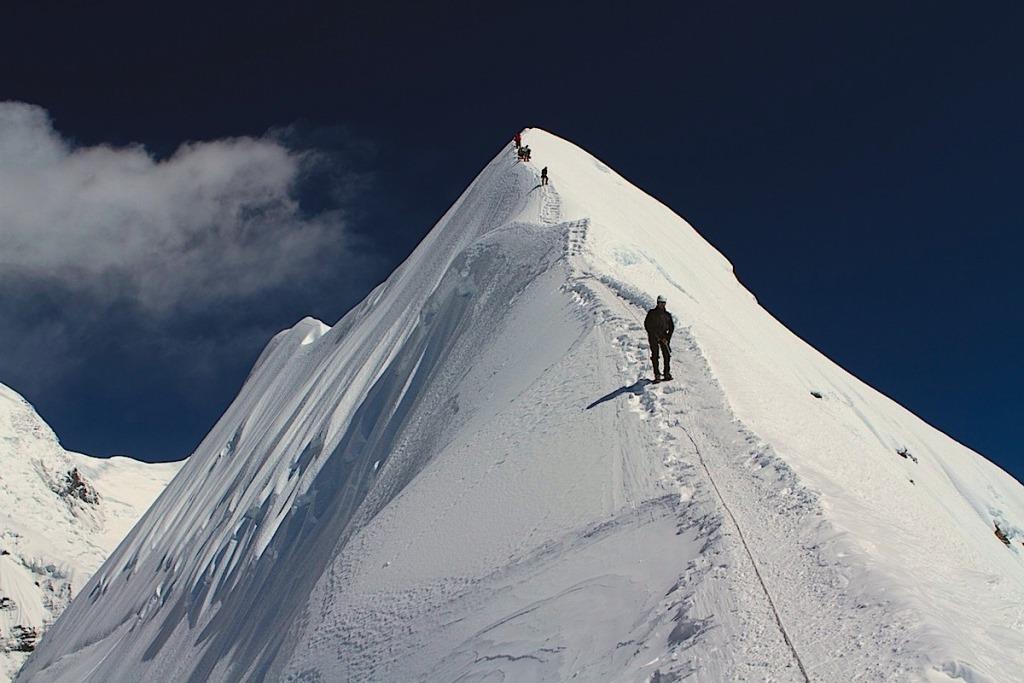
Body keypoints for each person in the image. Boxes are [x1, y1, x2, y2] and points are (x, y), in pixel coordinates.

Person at [644, 295, 674, 381]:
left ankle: (666, 373)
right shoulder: (651, 313)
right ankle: (657, 374)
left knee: (667, 355)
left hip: (664, 336)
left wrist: (667, 338)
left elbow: (671, 327)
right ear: (657, 303)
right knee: (655, 355)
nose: (662, 305)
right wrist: (654, 335)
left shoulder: (667, 315)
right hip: (653, 337)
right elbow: (647, 325)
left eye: (664, 303)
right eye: (661, 303)